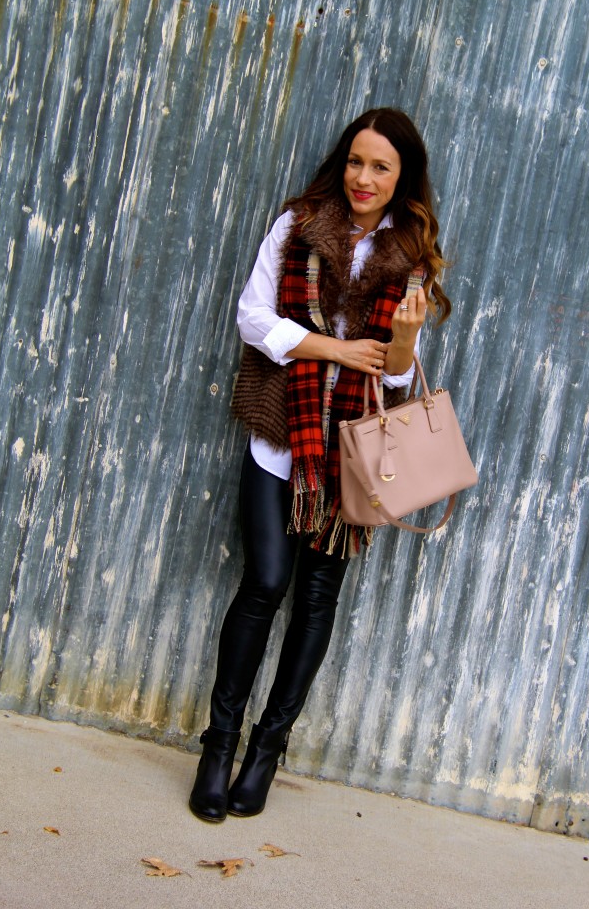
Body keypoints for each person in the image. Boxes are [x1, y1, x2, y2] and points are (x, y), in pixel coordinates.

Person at [189, 107, 451, 823]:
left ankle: (266, 754)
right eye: (357, 161)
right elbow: (252, 318)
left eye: (381, 167)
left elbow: (396, 383)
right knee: (267, 581)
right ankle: (218, 745)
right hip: (283, 438)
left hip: (351, 458)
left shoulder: (411, 257)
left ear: (403, 180)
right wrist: (333, 348)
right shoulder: (300, 225)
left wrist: (402, 340)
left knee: (314, 601)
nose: (364, 178)